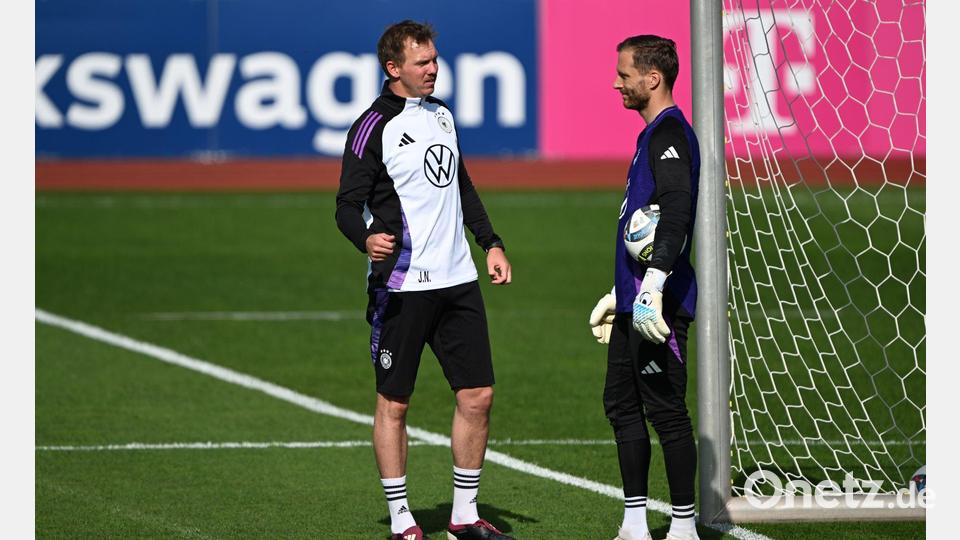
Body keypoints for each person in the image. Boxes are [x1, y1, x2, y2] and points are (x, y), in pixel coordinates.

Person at [335, 20, 514, 540]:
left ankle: (463, 515)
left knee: (477, 395)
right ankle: (401, 520)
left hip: (458, 282)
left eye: (435, 59)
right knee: (395, 403)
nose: (434, 69)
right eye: (422, 62)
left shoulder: (442, 115)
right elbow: (347, 206)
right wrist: (366, 238)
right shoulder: (372, 127)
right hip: (401, 285)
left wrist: (491, 241)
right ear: (394, 69)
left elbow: (462, 186)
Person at [588, 35, 702, 540]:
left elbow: (676, 211)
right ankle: (634, 523)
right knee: (620, 402)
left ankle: (682, 527)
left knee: (666, 410)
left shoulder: (670, 134)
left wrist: (653, 285)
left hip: (660, 305)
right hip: (638, 301)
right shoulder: (652, 134)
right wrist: (623, 292)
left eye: (625, 73)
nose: (617, 82)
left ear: (652, 78)